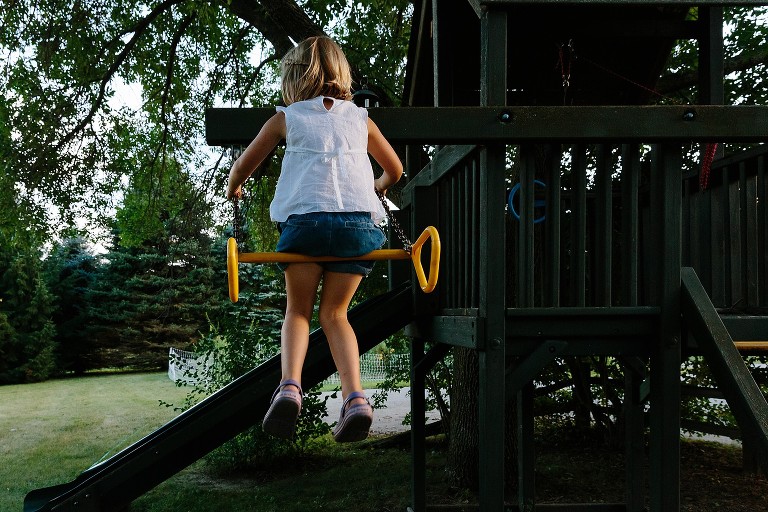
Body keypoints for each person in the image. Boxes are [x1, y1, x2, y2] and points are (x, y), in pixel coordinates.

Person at [226, 36, 403, 443]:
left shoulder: (285, 118)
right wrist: (375, 186)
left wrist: (235, 188)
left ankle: (290, 386)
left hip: (305, 225)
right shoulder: (362, 120)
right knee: (336, 315)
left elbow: (243, 166)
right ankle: (355, 397)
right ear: (342, 75)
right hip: (358, 228)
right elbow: (394, 170)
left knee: (299, 313)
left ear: (292, 78)